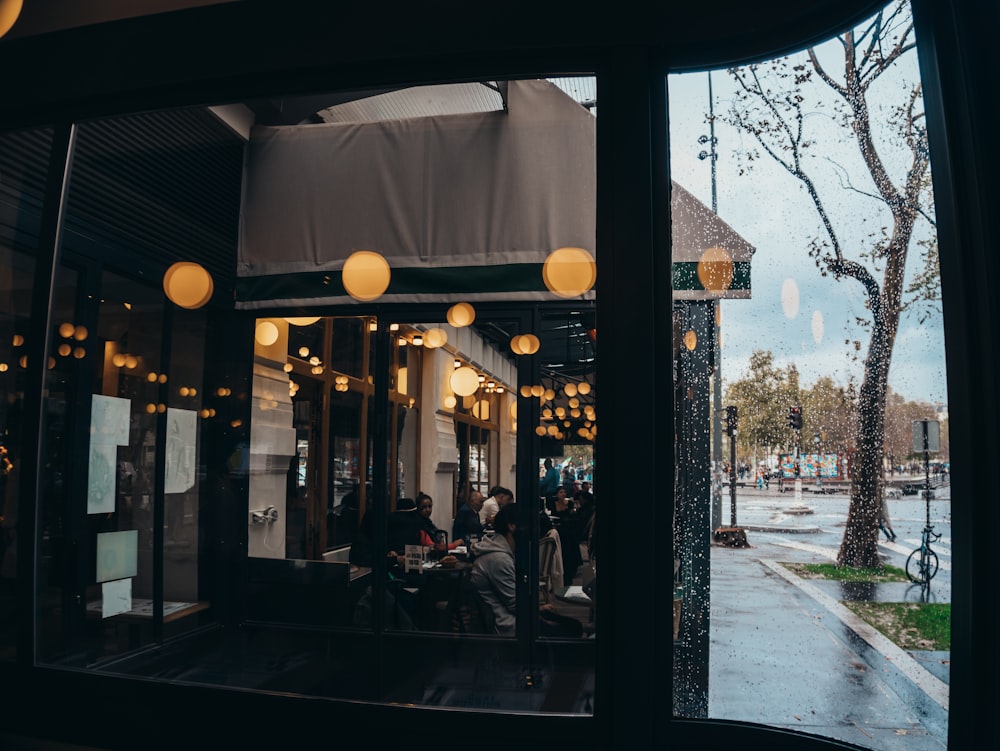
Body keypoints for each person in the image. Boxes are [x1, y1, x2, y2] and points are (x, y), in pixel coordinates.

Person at [470, 503, 581, 638]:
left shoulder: (501, 550)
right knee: (572, 629)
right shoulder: (498, 559)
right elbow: (515, 605)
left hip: (511, 616)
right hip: (508, 625)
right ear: (512, 526)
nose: (531, 530)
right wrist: (540, 616)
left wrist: (538, 609)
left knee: (572, 625)